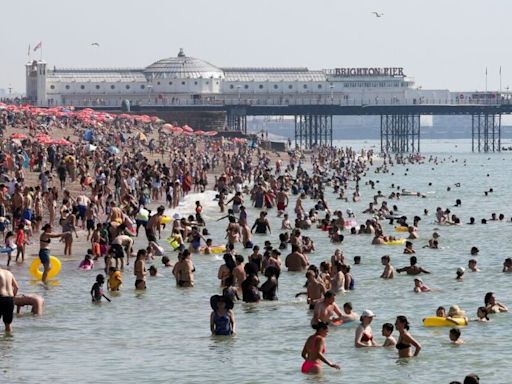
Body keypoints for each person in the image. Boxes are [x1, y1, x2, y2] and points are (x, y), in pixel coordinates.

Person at [0, 268, 18, 332]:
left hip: (1, 297)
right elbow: (16, 287)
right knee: (8, 324)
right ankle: (8, 341)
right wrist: (12, 299)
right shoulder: (9, 273)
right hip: (10, 298)